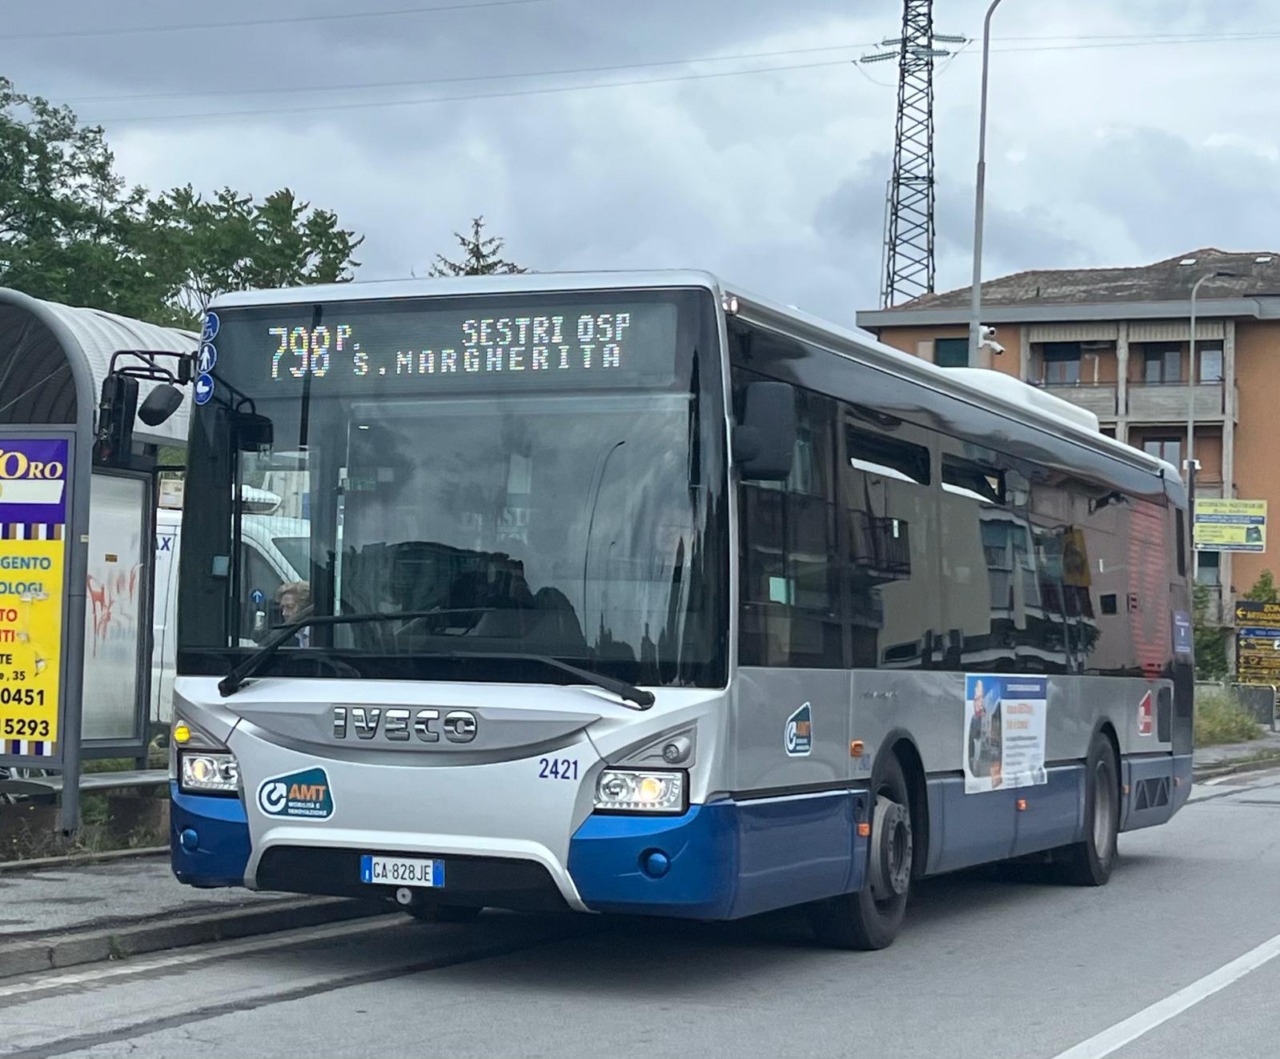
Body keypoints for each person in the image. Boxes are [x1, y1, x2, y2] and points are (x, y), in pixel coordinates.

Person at [276, 581, 312, 646]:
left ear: (305, 607)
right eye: (283, 608)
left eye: (290, 607)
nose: (284, 613)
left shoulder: (319, 634)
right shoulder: (291, 636)